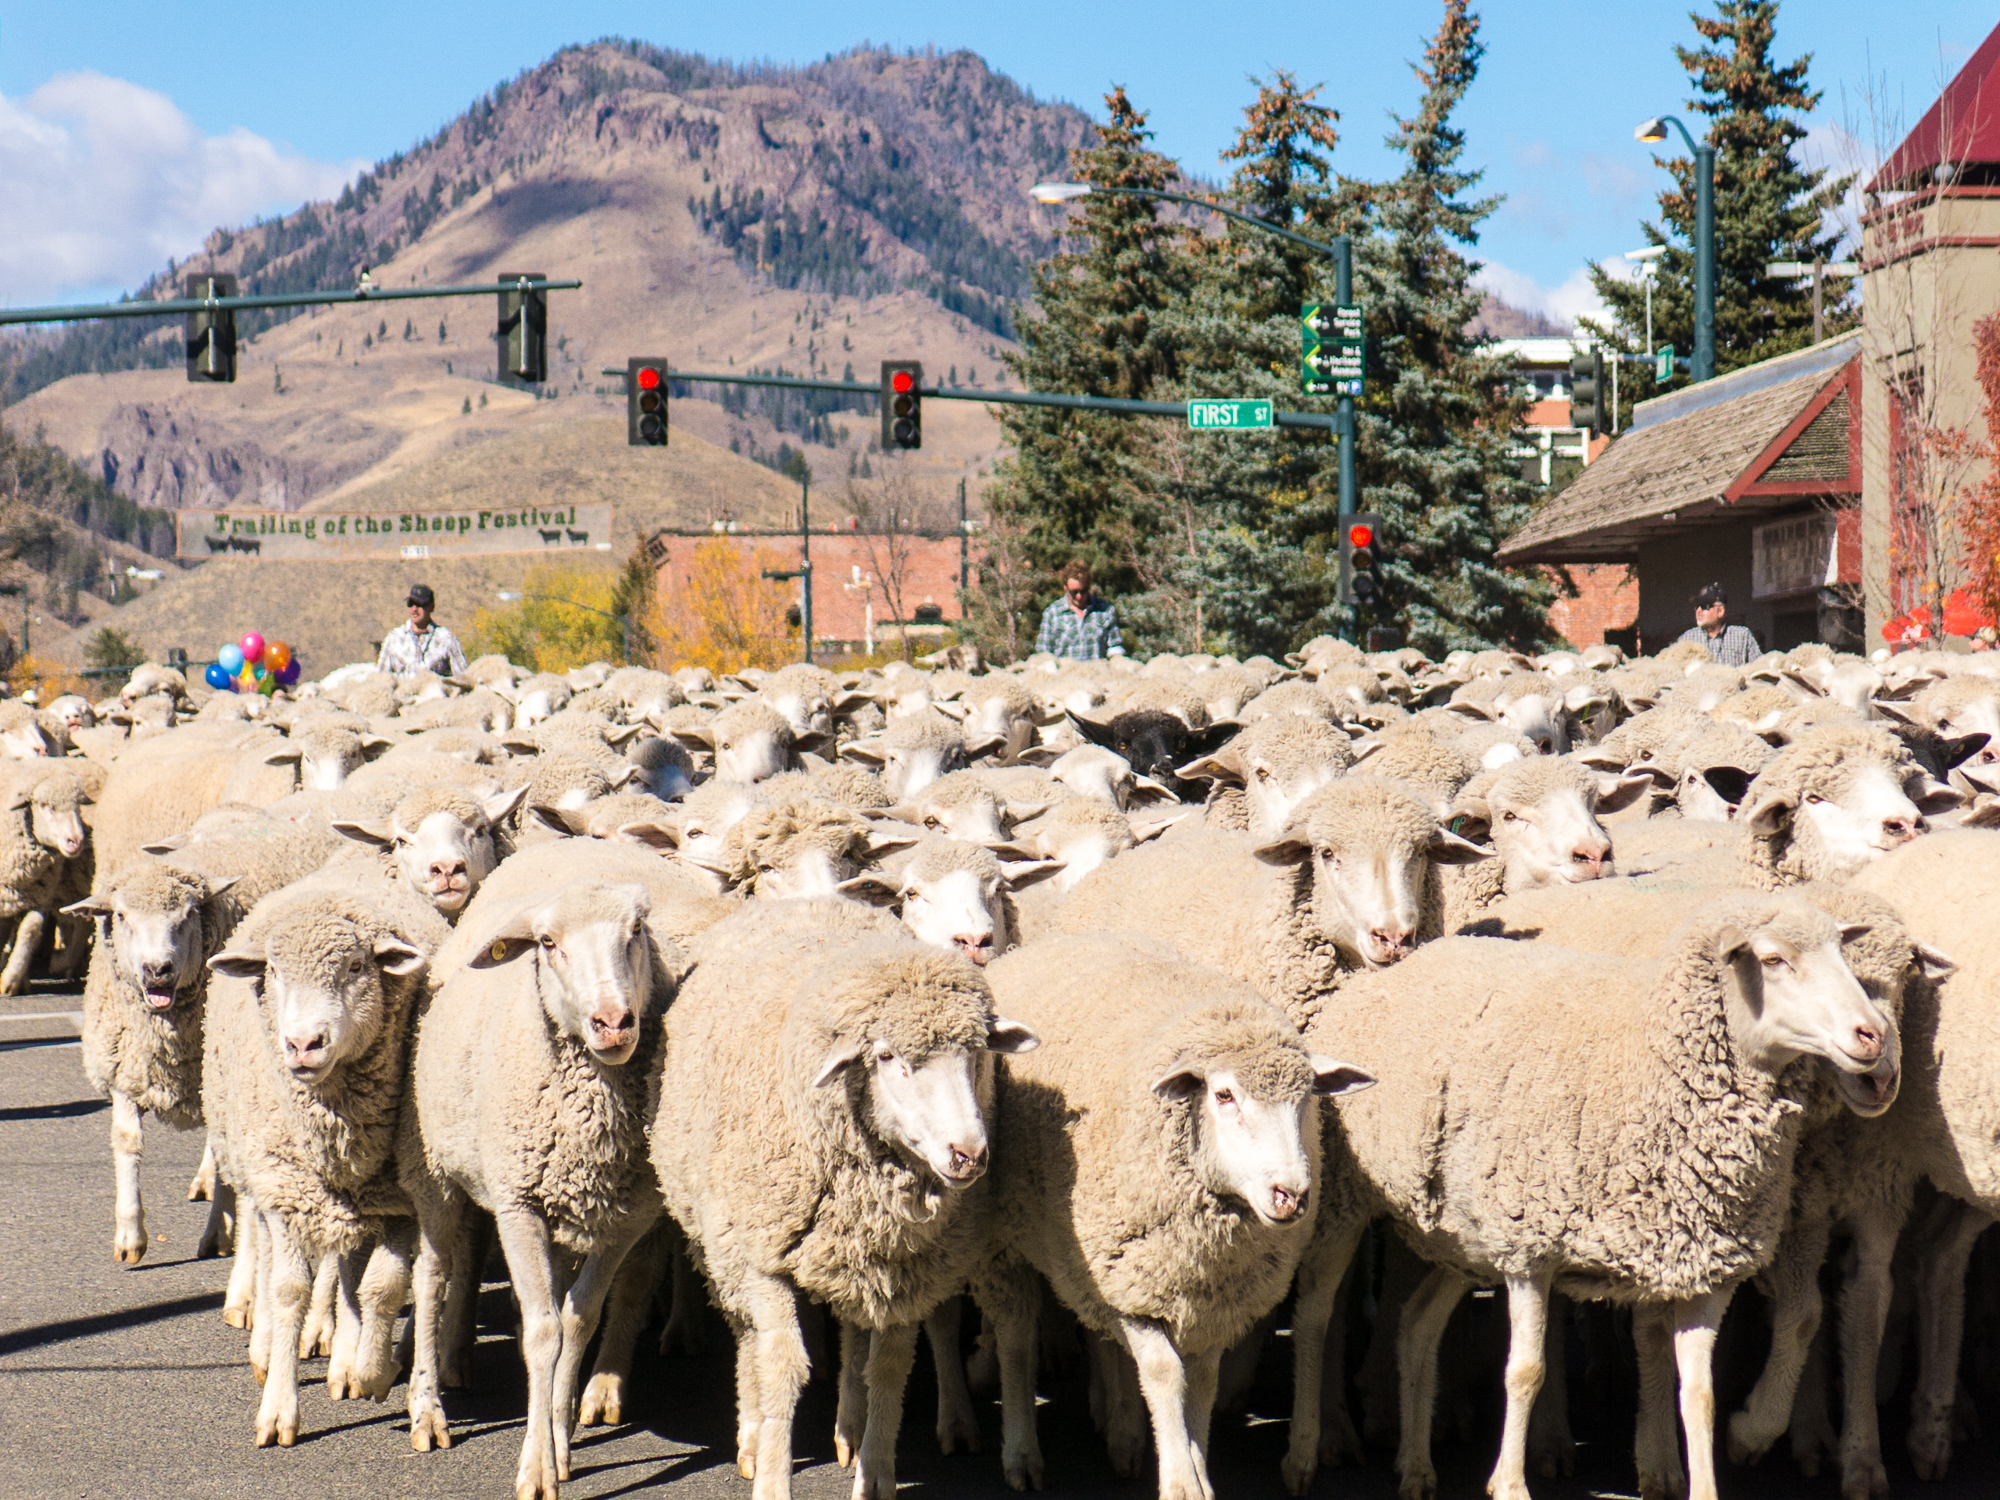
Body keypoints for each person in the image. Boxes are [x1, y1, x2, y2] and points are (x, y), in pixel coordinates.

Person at [1034, 559, 1124, 662]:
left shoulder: (1105, 611)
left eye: (1083, 591)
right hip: (1065, 675)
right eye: (1074, 592)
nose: (1079, 596)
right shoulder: (1052, 614)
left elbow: (1115, 648)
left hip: (1097, 674)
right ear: (1065, 588)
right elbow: (1043, 653)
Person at [377, 583, 467, 677]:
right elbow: (380, 679)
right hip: (403, 690)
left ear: (432, 607)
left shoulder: (447, 639)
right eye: (411, 604)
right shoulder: (394, 638)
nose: (414, 609)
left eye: (420, 604)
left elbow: (463, 678)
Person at [1676, 581, 1762, 667]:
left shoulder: (1743, 636)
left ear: (1720, 611)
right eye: (1696, 606)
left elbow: (1758, 668)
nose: (1698, 611)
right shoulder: (1687, 639)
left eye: (1704, 606)